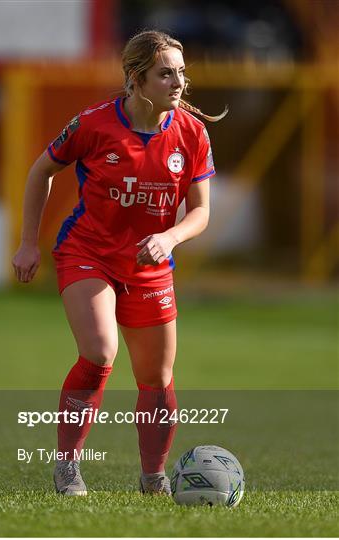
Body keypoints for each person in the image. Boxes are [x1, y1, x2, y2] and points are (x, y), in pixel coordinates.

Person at [12, 30, 227, 497]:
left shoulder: (191, 132)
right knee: (100, 351)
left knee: (157, 377)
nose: (178, 82)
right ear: (136, 79)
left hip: (150, 266)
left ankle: (153, 477)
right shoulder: (93, 124)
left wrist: (170, 237)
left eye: (181, 72)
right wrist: (28, 242)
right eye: (165, 73)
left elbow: (202, 212)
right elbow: (40, 171)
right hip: (86, 253)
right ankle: (68, 466)